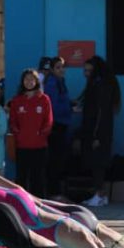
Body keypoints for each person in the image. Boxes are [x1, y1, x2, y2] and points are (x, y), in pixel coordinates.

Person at [79, 56, 120, 207]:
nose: (86, 73)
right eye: (85, 70)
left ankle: (99, 194)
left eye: (89, 70)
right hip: (97, 132)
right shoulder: (97, 85)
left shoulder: (101, 86)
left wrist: (97, 135)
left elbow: (101, 113)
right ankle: (99, 195)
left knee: (98, 165)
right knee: (96, 164)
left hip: (99, 133)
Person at [9, 69, 53, 198]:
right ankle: (21, 205)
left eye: (32, 79)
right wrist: (19, 134)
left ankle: (38, 207)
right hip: (22, 147)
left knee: (38, 179)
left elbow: (49, 121)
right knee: (21, 179)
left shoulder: (44, 99)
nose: (29, 82)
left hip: (39, 147)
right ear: (22, 82)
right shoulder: (17, 100)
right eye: (26, 79)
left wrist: (41, 134)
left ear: (37, 81)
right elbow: (13, 122)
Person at [44, 57, 73, 197]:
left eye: (62, 67)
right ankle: (53, 192)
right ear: (52, 70)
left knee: (60, 160)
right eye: (58, 67)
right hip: (56, 126)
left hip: (63, 124)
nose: (61, 70)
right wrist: (69, 109)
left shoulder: (61, 82)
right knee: (55, 160)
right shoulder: (52, 83)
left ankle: (56, 192)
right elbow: (53, 106)